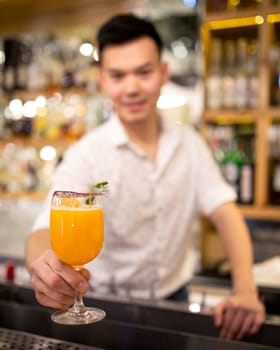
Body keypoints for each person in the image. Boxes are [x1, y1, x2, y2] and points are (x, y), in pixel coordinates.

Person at [25, 13, 265, 341]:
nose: (132, 88)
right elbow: (43, 230)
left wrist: (246, 290)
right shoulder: (87, 153)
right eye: (118, 75)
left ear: (163, 73)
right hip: (104, 306)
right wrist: (43, 268)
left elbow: (225, 213)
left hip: (174, 303)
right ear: (102, 80)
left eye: (144, 72)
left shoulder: (190, 144)